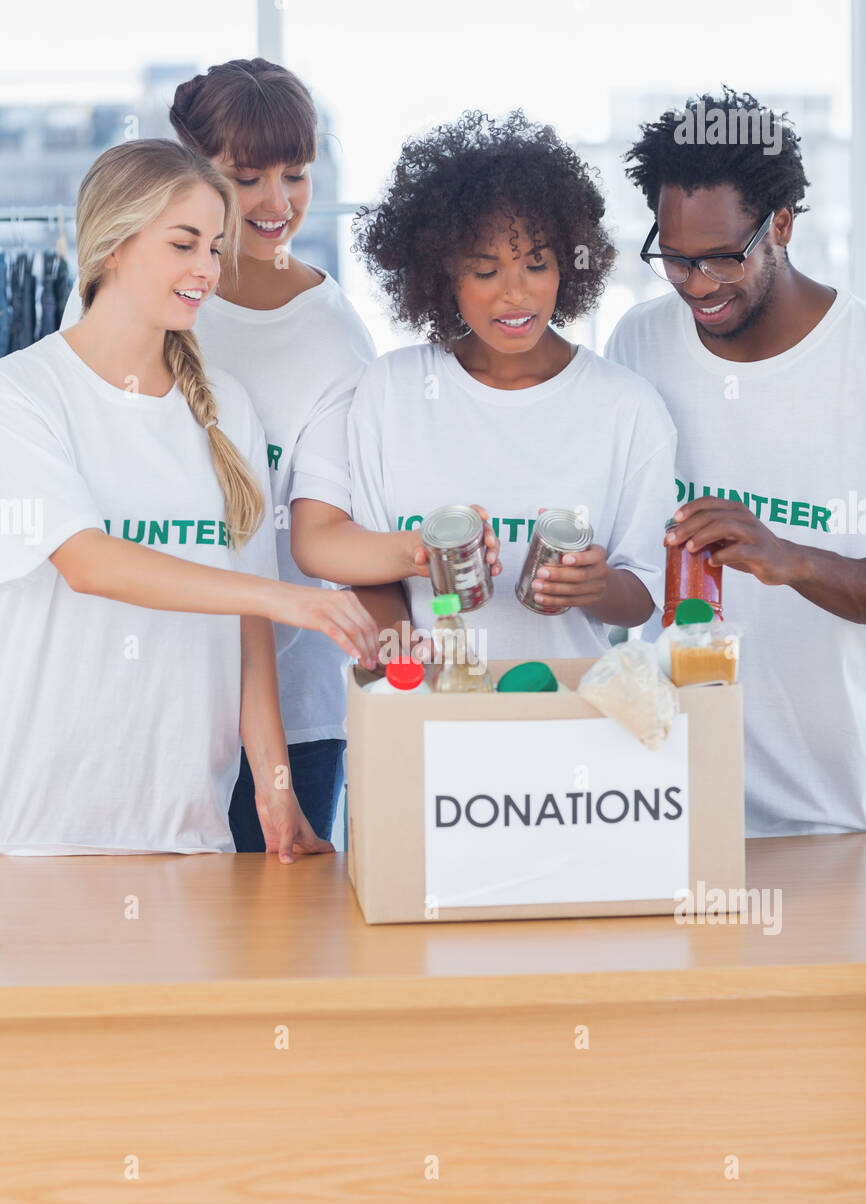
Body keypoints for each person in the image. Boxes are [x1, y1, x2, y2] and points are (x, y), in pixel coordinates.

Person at [0, 138, 378, 858]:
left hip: (190, 828)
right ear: (112, 245)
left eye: (214, 246)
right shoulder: (21, 396)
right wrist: (287, 598)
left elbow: (249, 631)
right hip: (39, 830)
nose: (207, 270)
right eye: (184, 245)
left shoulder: (226, 409)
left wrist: (275, 791)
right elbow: (89, 562)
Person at [605, 87, 866, 837]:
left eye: (722, 258)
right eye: (675, 258)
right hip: (675, 800)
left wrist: (793, 559)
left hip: (838, 819)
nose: (696, 284)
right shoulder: (639, 343)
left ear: (782, 223)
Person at [336, 110, 676, 659]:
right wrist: (400, 654)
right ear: (442, 273)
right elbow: (372, 573)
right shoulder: (391, 391)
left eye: (536, 264)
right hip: (427, 714)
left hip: (572, 716)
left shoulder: (627, 407)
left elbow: (642, 596)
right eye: (486, 270)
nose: (515, 294)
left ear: (568, 265)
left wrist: (599, 587)